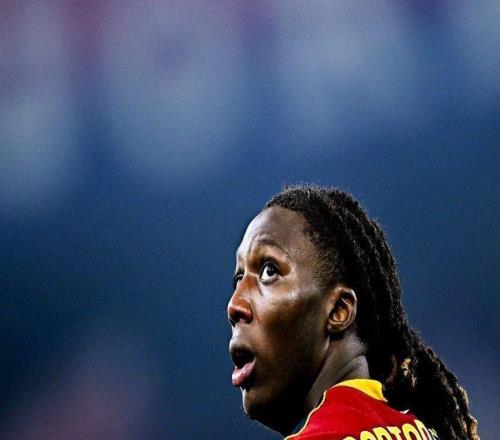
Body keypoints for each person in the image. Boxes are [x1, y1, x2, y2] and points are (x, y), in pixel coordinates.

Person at [227, 185, 479, 440]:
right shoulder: (430, 432)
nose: (234, 305)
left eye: (269, 271)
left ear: (339, 310)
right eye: (238, 278)